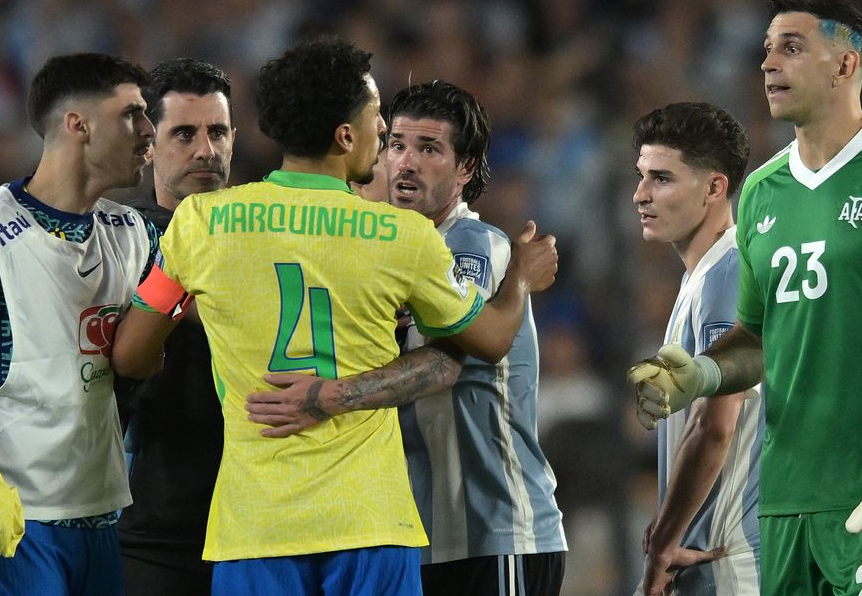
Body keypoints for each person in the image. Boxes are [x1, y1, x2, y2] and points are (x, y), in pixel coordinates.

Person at [111, 37, 557, 596]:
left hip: (256, 526)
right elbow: (490, 340)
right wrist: (519, 279)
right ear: (346, 136)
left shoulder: (202, 223)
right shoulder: (401, 235)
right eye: (378, 122)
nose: (384, 139)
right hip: (370, 522)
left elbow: (129, 354)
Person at [628, 0, 862, 595]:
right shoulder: (762, 189)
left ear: (845, 66)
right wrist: (702, 374)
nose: (768, 64)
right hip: (785, 499)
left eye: (791, 48)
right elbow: (762, 338)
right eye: (766, 50)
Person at [247, 80, 569, 596]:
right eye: (396, 144)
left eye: (429, 149)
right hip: (420, 533)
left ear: (465, 169)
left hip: (496, 532)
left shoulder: (471, 244)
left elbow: (446, 361)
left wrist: (331, 397)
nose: (405, 163)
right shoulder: (391, 252)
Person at [0, 52, 158, 595]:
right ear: (79, 125)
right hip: (10, 530)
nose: (148, 131)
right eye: (133, 114)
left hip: (102, 517)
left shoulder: (135, 233)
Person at [629, 102, 762, 596]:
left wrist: (666, 538)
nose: (640, 194)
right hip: (709, 551)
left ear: (714, 187)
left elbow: (716, 423)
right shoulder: (700, 277)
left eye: (661, 178)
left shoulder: (727, 275)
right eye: (641, 176)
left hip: (728, 556)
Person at [116, 58, 234, 596]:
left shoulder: (265, 241)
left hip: (254, 523)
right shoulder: (121, 242)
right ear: (149, 145)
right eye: (184, 133)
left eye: (218, 132)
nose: (205, 150)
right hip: (153, 529)